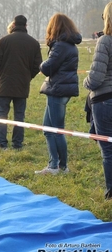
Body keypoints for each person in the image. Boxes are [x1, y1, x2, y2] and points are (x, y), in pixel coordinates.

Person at [34, 13, 82, 175]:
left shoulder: (61, 45)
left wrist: (40, 63)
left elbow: (47, 67)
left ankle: (57, 166)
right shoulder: (69, 44)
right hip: (62, 88)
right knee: (49, 129)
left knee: (56, 129)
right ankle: (58, 165)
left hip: (58, 89)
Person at [0, 15, 42, 150]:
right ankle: (17, 143)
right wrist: (27, 77)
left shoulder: (4, 41)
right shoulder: (34, 43)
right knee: (19, 116)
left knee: (2, 114)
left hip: (4, 83)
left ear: (13, 25)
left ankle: (1, 143)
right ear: (26, 25)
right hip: (22, 84)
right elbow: (37, 65)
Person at [83, 2, 112, 200]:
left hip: (105, 100)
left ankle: (111, 191)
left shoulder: (105, 41)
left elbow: (95, 79)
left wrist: (85, 81)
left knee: (108, 150)